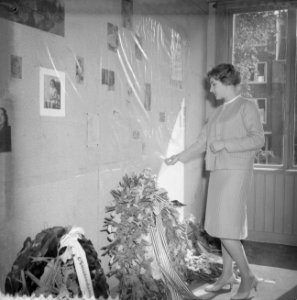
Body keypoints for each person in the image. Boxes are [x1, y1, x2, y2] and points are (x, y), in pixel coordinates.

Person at [165, 63, 265, 300]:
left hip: (237, 171)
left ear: (227, 82)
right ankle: (227, 275)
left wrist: (226, 144)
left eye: (214, 84)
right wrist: (180, 156)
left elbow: (258, 139)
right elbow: (202, 142)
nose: (210, 89)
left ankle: (248, 276)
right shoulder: (217, 113)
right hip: (218, 171)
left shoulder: (247, 106)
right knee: (220, 227)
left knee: (227, 227)